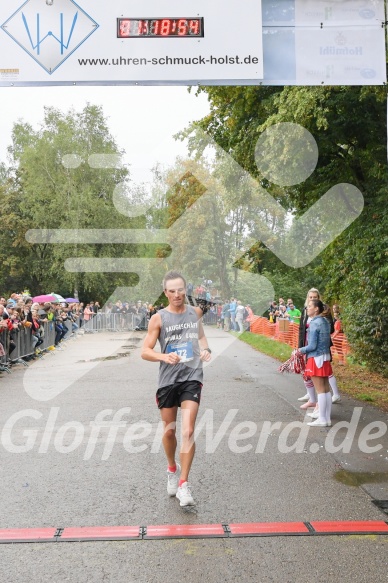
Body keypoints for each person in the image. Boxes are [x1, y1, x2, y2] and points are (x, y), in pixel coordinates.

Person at [141, 270, 212, 507]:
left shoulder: (195, 313)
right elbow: (145, 351)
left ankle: (183, 484)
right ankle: (172, 468)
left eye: (180, 289)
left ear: (185, 290)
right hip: (168, 379)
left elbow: (201, 337)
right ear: (165, 293)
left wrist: (206, 350)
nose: (177, 294)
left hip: (192, 376)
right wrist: (164, 356)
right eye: (172, 291)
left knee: (188, 430)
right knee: (170, 431)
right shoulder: (158, 318)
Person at [297, 299, 333, 427]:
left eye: (309, 306)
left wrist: (299, 350)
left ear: (316, 309)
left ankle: (322, 419)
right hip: (325, 357)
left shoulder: (314, 323)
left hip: (315, 358)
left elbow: (312, 345)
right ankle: (326, 418)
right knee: (326, 389)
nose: (307, 308)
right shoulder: (325, 321)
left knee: (320, 390)